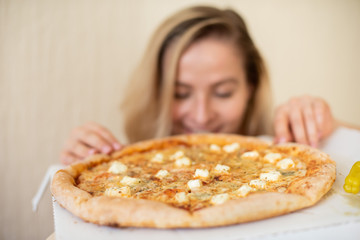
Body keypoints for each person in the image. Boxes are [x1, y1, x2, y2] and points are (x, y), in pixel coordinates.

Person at [60, 5, 337, 165]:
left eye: (222, 92)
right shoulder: (125, 168)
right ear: (155, 91)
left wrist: (331, 130)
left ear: (251, 87)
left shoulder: (289, 152)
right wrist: (85, 159)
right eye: (180, 93)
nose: (202, 115)